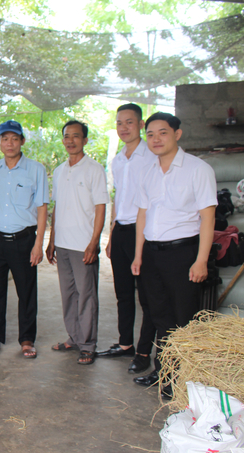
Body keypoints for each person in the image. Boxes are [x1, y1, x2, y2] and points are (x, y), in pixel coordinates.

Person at [130, 112, 216, 398]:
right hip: (152, 254)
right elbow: (143, 215)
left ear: (177, 134)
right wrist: (138, 255)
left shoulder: (197, 169)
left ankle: (183, 380)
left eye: (162, 133)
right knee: (159, 316)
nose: (155, 139)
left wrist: (201, 259)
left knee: (183, 317)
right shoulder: (148, 171)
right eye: (150, 134)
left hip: (183, 254)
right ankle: (164, 372)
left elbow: (207, 217)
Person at [97, 104, 157, 374]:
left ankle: (145, 351)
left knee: (146, 295)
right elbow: (118, 197)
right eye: (119, 122)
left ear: (141, 125)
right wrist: (111, 234)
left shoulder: (152, 155)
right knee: (123, 293)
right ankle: (125, 344)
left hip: (144, 232)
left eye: (129, 122)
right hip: (121, 229)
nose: (123, 127)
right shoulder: (118, 158)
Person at [47, 120, 109, 365]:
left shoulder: (94, 169)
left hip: (83, 244)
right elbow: (57, 208)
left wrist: (94, 243)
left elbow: (100, 208)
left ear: (85, 140)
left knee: (87, 296)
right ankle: (74, 337)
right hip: (62, 243)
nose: (70, 140)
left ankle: (88, 344)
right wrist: (50, 241)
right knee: (68, 294)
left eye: (76, 136)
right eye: (66, 136)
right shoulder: (61, 170)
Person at [0, 120, 48, 358]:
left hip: (24, 239)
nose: (9, 143)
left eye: (14, 138)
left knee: (26, 291)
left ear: (22, 141)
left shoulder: (36, 170)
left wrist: (38, 243)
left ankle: (27, 339)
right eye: (5, 138)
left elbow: (42, 207)